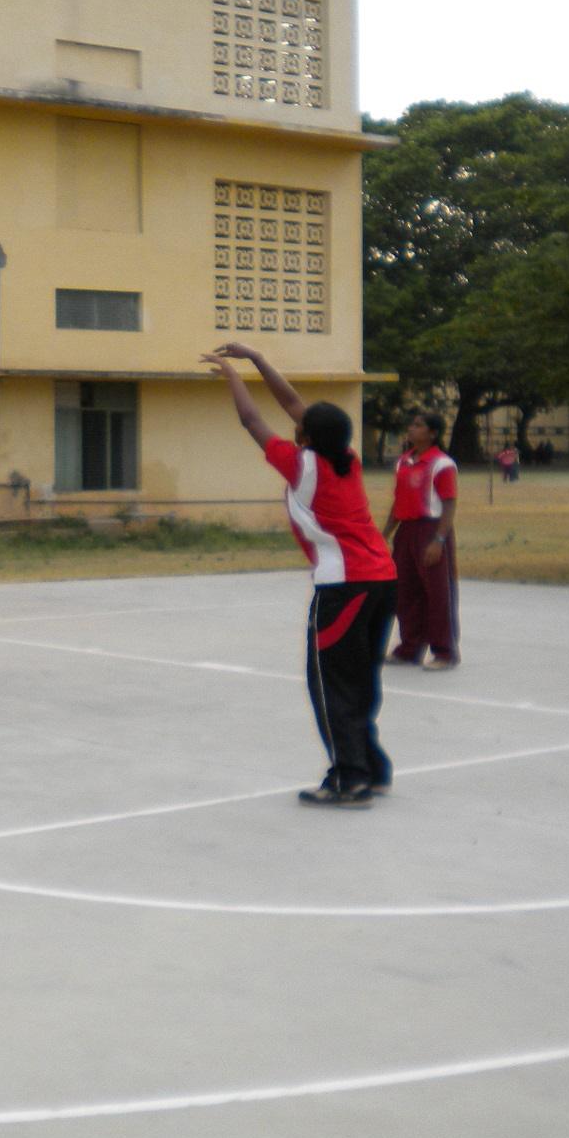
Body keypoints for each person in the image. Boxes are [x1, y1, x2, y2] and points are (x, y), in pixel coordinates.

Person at [202, 343, 397, 808]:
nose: (295, 419)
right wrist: (258, 358)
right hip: (382, 580)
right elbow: (293, 403)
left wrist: (232, 374)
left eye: (302, 424)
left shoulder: (300, 463)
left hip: (344, 586)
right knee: (361, 679)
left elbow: (252, 420)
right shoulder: (344, 458)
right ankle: (371, 766)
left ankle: (350, 778)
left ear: (307, 435)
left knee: (329, 684)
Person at [383, 412, 460, 670]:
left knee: (438, 593)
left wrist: (439, 539)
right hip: (407, 530)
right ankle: (410, 647)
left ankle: (444, 651)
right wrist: (385, 534)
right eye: (412, 424)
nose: (411, 429)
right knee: (405, 591)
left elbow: (449, 503)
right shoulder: (403, 462)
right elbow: (398, 501)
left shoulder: (442, 464)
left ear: (433, 433)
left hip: (431, 528)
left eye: (419, 425)